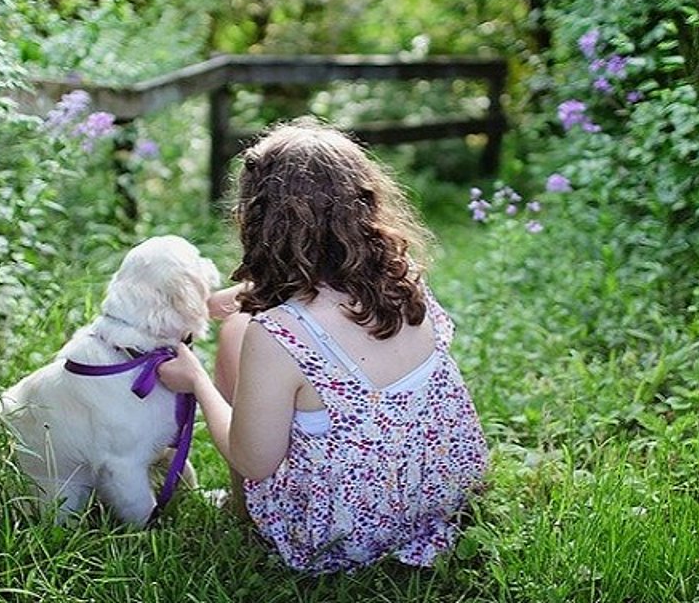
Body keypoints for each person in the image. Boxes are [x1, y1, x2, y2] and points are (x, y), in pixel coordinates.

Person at [157, 118, 489, 573]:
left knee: (236, 333)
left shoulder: (276, 335)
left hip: (344, 532)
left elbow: (255, 462)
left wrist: (196, 380)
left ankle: (242, 510)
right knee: (244, 327)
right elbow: (326, 300)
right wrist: (244, 295)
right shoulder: (403, 278)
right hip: (437, 495)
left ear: (259, 219)